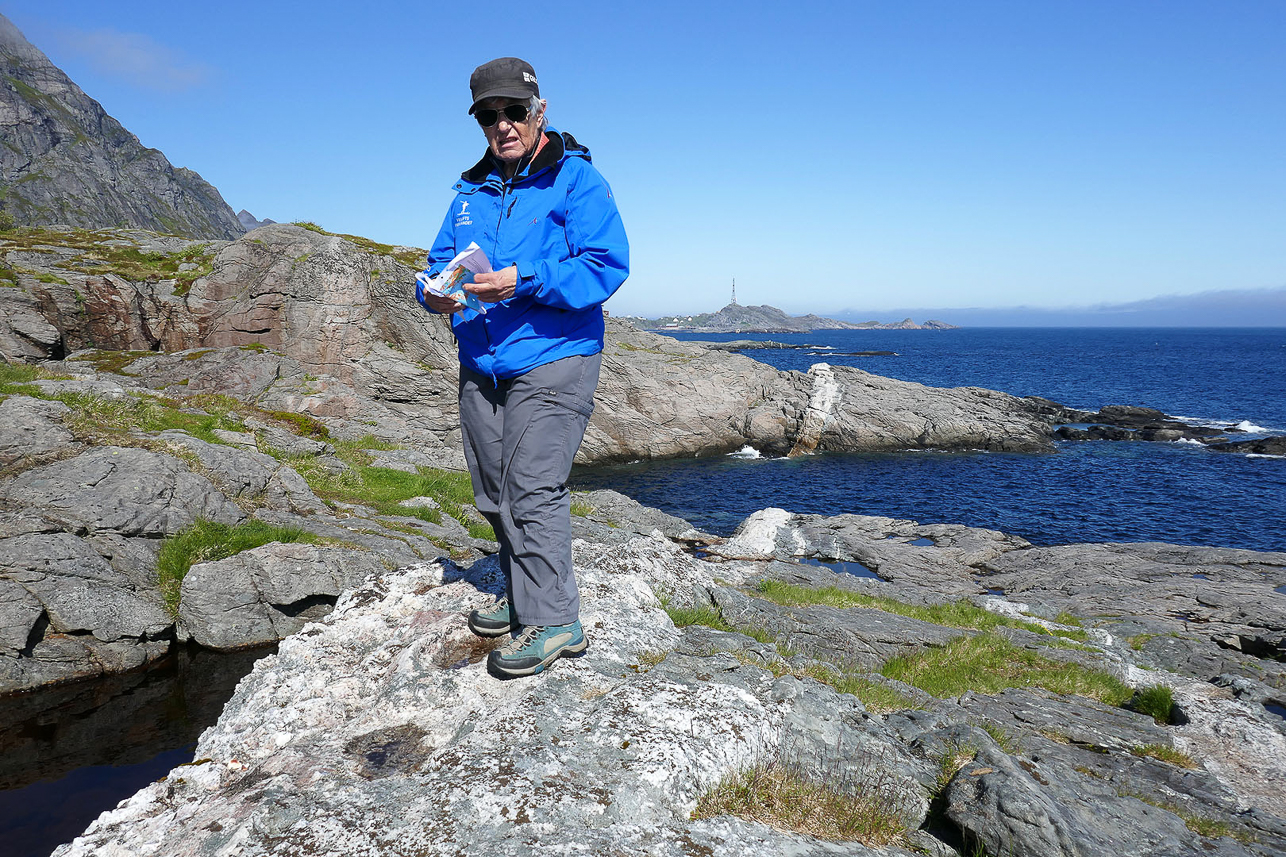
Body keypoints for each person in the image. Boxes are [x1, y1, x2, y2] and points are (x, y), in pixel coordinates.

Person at [415, 57, 629, 678]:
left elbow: (606, 266)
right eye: (489, 116)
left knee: (533, 485)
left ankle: (556, 619)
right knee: (492, 489)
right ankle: (522, 595)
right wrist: (430, 291)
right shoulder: (468, 192)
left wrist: (526, 280)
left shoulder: (577, 180)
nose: (503, 125)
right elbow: (438, 262)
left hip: (555, 354)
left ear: (540, 111)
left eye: (514, 112)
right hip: (481, 358)